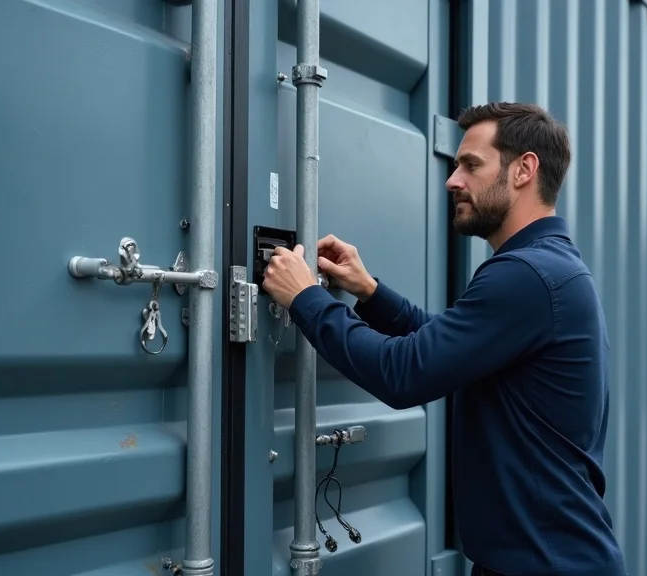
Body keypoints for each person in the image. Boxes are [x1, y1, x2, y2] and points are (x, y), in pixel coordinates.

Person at [262, 102, 627, 576]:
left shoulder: (527, 275)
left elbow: (404, 373)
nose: (453, 180)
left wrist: (306, 298)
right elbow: (445, 347)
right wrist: (368, 291)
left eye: (471, 165)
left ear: (524, 169)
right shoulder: (549, 269)